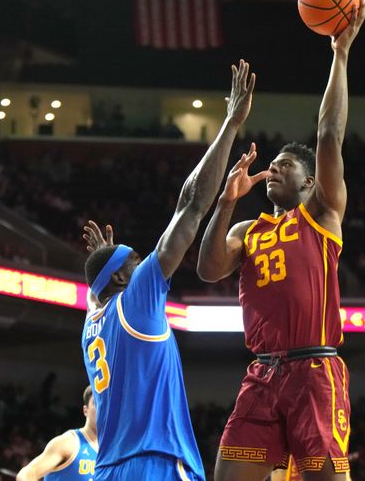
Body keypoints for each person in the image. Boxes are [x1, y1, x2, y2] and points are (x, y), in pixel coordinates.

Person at [197, 0, 365, 481]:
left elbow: (329, 133)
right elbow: (208, 269)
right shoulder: (246, 230)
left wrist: (340, 54)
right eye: (273, 164)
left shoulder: (322, 214)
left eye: (286, 165)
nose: (274, 168)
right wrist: (226, 200)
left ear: (310, 183)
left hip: (316, 373)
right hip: (262, 374)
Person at [79, 60, 257, 480]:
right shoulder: (135, 300)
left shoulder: (91, 324)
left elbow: (96, 287)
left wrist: (105, 262)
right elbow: (191, 205)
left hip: (108, 469)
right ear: (124, 279)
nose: (148, 267)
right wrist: (230, 124)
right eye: (137, 263)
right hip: (153, 461)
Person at [15, 387, 97, 481]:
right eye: (96, 403)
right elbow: (26, 475)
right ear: (85, 410)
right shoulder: (70, 442)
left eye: (106, 404)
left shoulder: (114, 451)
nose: (103, 408)